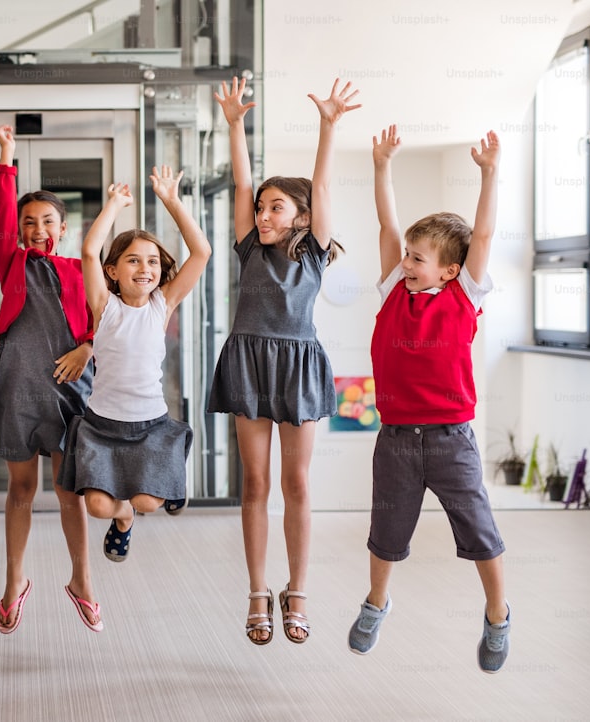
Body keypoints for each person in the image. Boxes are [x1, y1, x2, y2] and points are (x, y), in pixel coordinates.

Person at [347, 125, 510, 673]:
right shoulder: (395, 288)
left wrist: (489, 174)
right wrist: (381, 165)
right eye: (408, 256)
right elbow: (388, 223)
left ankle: (497, 613)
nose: (408, 264)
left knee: (480, 532)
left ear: (450, 270)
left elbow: (481, 238)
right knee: (386, 533)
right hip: (395, 438)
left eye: (419, 259)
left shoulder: (464, 296)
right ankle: (376, 602)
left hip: (450, 440)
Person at [207, 77, 358, 646]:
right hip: (250, 362)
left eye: (277, 207)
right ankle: (255, 591)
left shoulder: (312, 252)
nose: (264, 213)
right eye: (261, 207)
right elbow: (243, 181)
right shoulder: (250, 248)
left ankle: (296, 590)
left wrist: (328, 125)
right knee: (255, 481)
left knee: (296, 481)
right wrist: (233, 124)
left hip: (296, 367)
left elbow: (321, 183)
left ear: (301, 216)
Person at [58, 167, 211, 566]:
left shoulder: (163, 304)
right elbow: (89, 251)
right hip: (103, 426)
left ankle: (153, 494)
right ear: (112, 272)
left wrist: (172, 200)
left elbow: (202, 253)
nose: (145, 269)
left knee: (147, 501)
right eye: (132, 261)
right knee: (98, 507)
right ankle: (122, 519)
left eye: (153, 262)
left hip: (149, 426)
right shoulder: (104, 307)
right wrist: (114, 205)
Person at [0, 125, 102, 633]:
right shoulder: (11, 261)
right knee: (20, 489)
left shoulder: (81, 268)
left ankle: (82, 580)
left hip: (68, 391)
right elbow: (1, 215)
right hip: (18, 389)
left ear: (63, 227)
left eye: (48, 221)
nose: (37, 228)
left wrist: (87, 347)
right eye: (29, 221)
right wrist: (7, 157)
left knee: (68, 491)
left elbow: (108, 320)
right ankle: (15, 580)